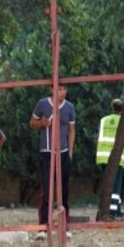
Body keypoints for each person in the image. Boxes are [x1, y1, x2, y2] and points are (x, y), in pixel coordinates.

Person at [30, 84, 75, 228]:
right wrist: (42, 123)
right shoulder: (43, 104)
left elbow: (72, 130)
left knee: (65, 191)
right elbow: (32, 123)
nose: (63, 92)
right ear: (52, 89)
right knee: (46, 191)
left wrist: (70, 152)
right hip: (47, 152)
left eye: (64, 89)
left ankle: (65, 226)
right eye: (60, 89)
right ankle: (43, 226)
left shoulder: (69, 107)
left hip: (63, 153)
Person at [95, 99, 124, 220]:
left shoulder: (103, 120)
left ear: (112, 107)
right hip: (116, 158)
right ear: (123, 109)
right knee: (115, 186)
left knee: (107, 184)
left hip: (102, 157)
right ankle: (112, 213)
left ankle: (117, 210)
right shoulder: (123, 121)